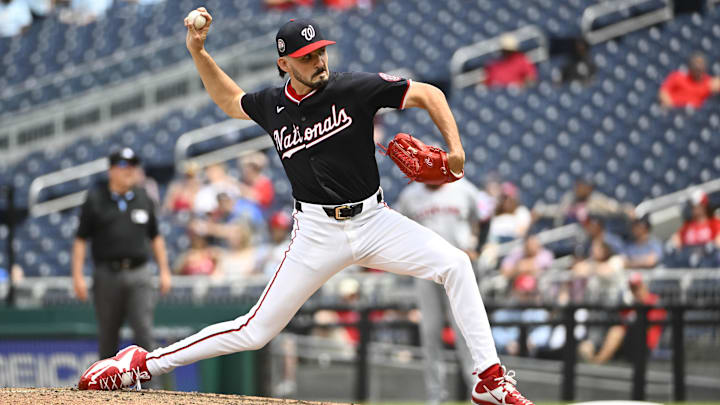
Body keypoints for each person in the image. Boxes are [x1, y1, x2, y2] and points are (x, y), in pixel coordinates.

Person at [78, 12, 535, 404]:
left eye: (320, 52)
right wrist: (198, 52)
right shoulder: (272, 105)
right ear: (284, 63)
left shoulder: (354, 88)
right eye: (306, 56)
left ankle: (488, 381)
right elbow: (229, 100)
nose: (318, 61)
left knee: (456, 264)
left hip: (375, 220)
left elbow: (429, 93)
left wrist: (455, 150)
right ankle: (142, 363)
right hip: (316, 232)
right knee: (255, 331)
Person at [71, 147, 172, 362]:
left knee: (144, 332)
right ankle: (105, 389)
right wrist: (78, 276)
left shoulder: (144, 198)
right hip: (107, 274)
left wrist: (165, 271)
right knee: (108, 335)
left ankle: (150, 390)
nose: (130, 171)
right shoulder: (96, 199)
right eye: (124, 165)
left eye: (133, 166)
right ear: (111, 170)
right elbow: (80, 239)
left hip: (139, 274)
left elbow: (156, 237)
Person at [394, 179, 489, 404]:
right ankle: (435, 397)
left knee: (466, 333)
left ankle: (478, 392)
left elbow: (485, 216)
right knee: (430, 332)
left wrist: (479, 247)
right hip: (426, 272)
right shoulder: (410, 195)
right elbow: (397, 227)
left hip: (459, 272)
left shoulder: (464, 188)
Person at [578, 272, 667, 364]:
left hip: (647, 342)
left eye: (637, 287)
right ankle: (596, 357)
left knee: (618, 331)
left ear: (644, 286)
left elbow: (650, 325)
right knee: (612, 330)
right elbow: (621, 319)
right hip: (629, 342)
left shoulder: (654, 301)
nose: (635, 291)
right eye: (632, 288)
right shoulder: (631, 305)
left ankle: (598, 361)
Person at [533, 178, 635, 227]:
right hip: (569, 234)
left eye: (582, 187)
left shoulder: (596, 200)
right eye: (578, 186)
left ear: (589, 189)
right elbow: (558, 210)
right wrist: (541, 211)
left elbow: (614, 207)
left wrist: (627, 209)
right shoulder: (570, 198)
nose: (578, 189)